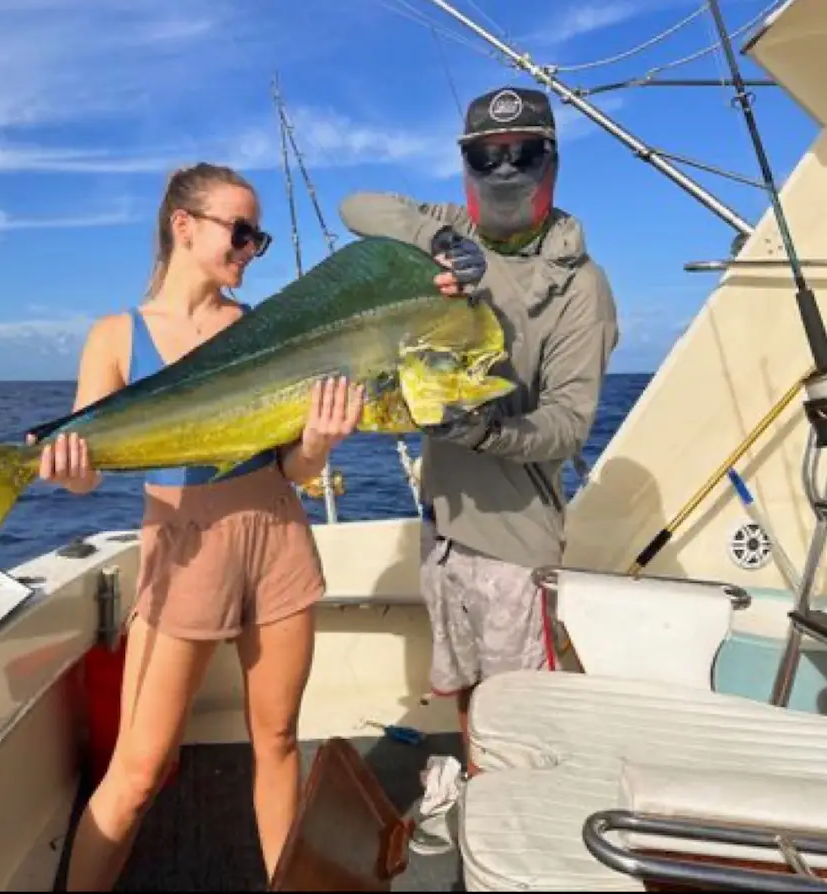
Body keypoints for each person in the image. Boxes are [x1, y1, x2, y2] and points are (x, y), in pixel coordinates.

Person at [32, 162, 364, 891]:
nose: (249, 251)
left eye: (259, 239)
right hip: (185, 553)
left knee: (277, 740)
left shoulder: (264, 332)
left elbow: (294, 470)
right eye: (239, 233)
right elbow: (90, 472)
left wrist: (320, 442)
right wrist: (65, 469)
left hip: (277, 542)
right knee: (141, 769)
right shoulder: (117, 337)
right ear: (184, 226)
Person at [337, 86, 619, 851]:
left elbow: (564, 427)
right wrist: (434, 244)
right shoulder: (457, 230)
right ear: (466, 165)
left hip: (515, 543)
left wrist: (478, 428)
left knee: (518, 707)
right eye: (485, 156)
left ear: (550, 161)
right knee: (464, 691)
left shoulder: (579, 287)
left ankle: (519, 833)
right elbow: (357, 204)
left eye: (522, 153)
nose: (505, 167)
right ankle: (472, 796)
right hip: (447, 527)